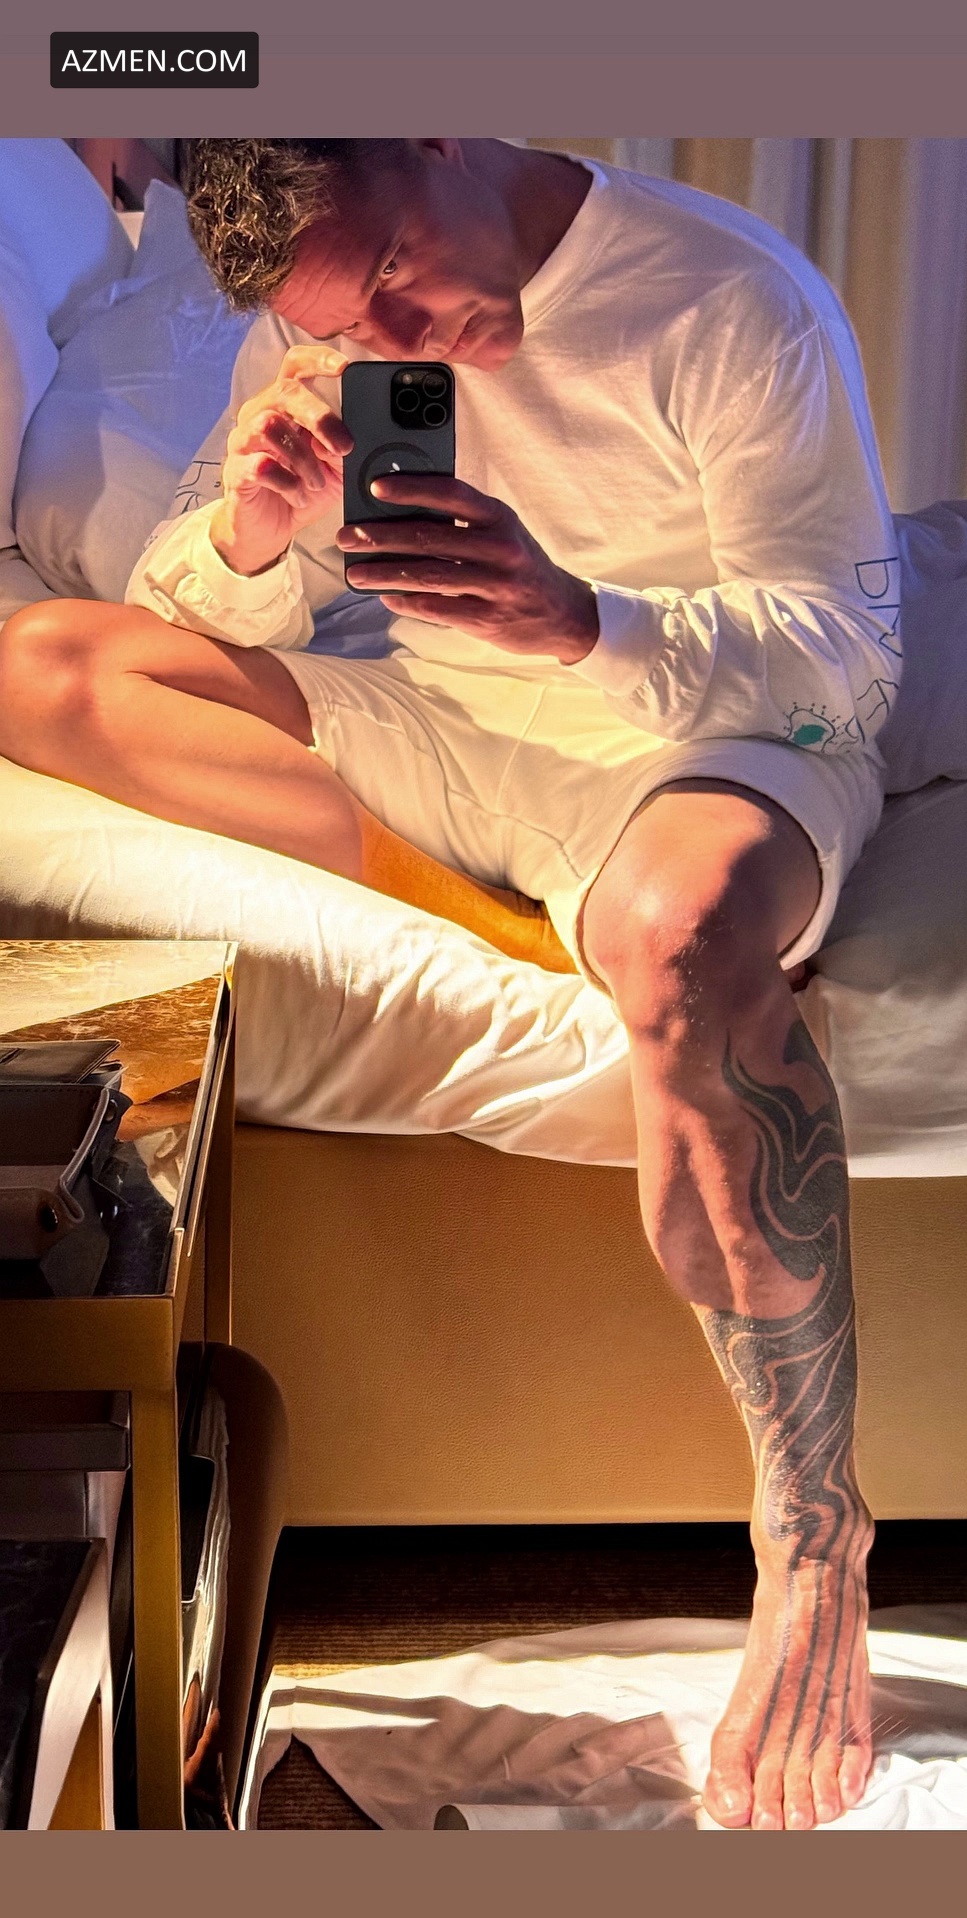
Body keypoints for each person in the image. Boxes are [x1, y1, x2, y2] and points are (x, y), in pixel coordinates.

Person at [0, 138, 904, 1829]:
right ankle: (498, 911)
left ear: (435, 132)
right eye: (355, 322)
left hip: (687, 742)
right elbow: (214, 604)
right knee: (37, 661)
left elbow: (847, 668)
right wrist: (256, 526)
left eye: (402, 280)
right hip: (450, 729)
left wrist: (581, 618)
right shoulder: (328, 315)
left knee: (682, 940)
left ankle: (814, 1534)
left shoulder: (731, 297)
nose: (399, 337)